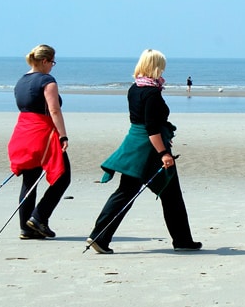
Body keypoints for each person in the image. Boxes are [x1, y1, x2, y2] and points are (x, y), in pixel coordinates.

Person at [86, 49, 201, 254]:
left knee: (151, 193)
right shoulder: (152, 92)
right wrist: (164, 154)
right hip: (146, 149)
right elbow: (151, 128)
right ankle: (99, 236)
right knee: (134, 193)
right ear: (155, 66)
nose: (164, 69)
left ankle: (182, 239)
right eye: (162, 65)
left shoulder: (135, 88)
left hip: (135, 144)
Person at [7, 44, 71, 240]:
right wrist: (63, 135)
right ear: (44, 61)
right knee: (63, 176)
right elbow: (54, 110)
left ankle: (26, 227)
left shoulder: (21, 81)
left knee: (30, 180)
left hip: (23, 132)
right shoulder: (47, 81)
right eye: (52, 62)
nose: (52, 66)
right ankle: (39, 218)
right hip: (43, 133)